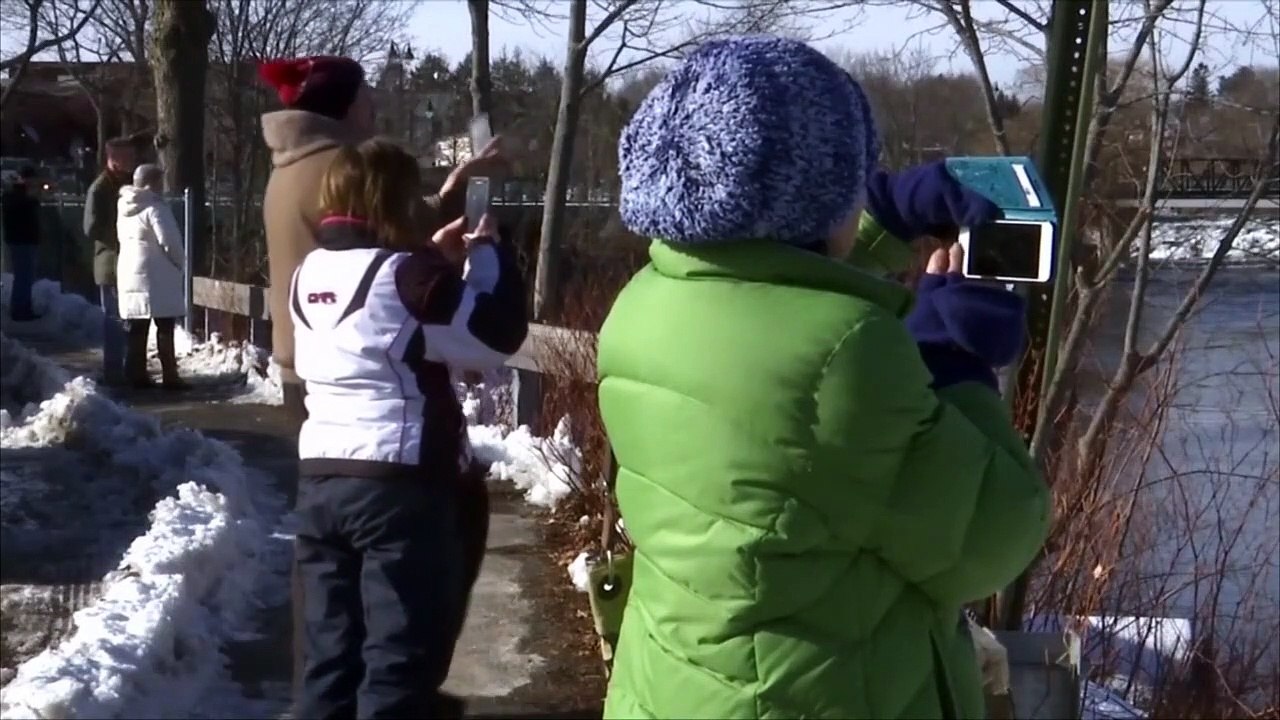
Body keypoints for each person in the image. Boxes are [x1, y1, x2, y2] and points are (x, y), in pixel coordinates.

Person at [595, 36, 1049, 720]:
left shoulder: (646, 302)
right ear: (816, 200)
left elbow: (774, 292)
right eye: (854, 179)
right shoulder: (848, 356)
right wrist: (949, 357)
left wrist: (889, 212)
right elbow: (997, 533)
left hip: (680, 688)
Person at [257, 54, 508, 705]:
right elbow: (474, 327)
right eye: (366, 94)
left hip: (324, 429)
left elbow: (374, 265)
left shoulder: (297, 186)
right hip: (392, 455)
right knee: (397, 640)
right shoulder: (341, 173)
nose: (374, 103)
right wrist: (482, 255)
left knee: (328, 640)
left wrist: (431, 249)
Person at [290, 138, 528, 719]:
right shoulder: (410, 276)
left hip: (321, 482)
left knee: (329, 658)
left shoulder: (308, 272)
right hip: (401, 484)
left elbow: (382, 323)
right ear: (392, 197)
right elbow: (494, 336)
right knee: (397, 661)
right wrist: (491, 256)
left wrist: (431, 258)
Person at [114, 164, 188, 390]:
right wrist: (180, 263)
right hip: (156, 272)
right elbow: (169, 242)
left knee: (138, 326)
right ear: (153, 183)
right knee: (165, 325)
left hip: (129, 269)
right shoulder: (155, 207)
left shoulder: (124, 205)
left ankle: (136, 373)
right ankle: (170, 376)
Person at [84, 138, 137, 384]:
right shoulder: (100, 189)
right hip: (110, 262)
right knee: (114, 319)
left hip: (129, 261)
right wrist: (119, 235)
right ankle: (113, 371)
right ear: (114, 159)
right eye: (126, 157)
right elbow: (91, 227)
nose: (132, 162)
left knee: (127, 318)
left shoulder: (128, 184)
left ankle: (128, 367)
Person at [2, 166, 41, 321]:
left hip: (22, 239)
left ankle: (22, 307)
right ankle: (20, 309)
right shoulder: (16, 195)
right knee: (23, 277)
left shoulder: (15, 195)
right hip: (21, 240)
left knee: (24, 277)